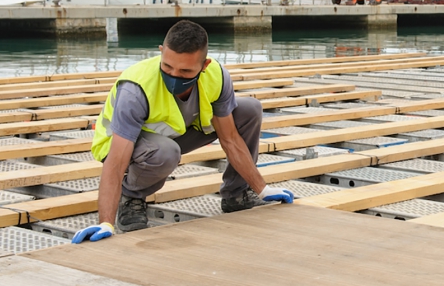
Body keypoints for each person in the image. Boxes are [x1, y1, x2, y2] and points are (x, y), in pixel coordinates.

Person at [72, 20, 295, 244]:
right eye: (168, 67)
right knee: (165, 152)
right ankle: (131, 197)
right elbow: (117, 161)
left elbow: (231, 139)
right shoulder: (136, 89)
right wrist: (105, 222)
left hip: (175, 136)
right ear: (161, 52)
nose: (175, 76)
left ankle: (237, 195)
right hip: (124, 147)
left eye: (185, 71)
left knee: (248, 109)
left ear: (204, 65)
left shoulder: (217, 76)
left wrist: (262, 189)